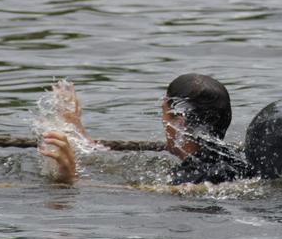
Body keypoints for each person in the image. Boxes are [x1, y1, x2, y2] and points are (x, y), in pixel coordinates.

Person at [39, 73, 257, 185]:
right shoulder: (237, 161)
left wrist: (70, 179)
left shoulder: (187, 180)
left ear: (178, 122)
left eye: (164, 112)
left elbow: (126, 193)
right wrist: (78, 130)